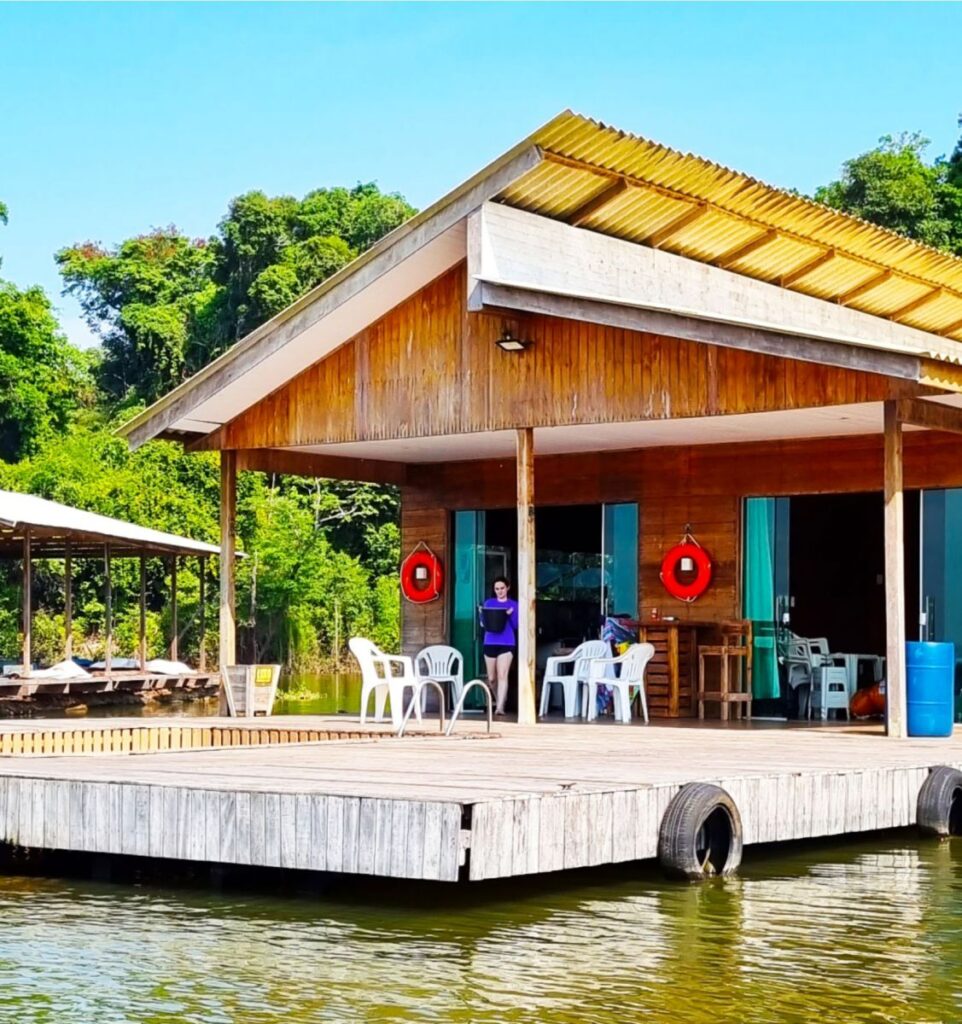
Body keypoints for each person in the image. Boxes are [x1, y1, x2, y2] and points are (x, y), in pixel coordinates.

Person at [480, 576, 518, 717]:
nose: (500, 591)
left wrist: (508, 615)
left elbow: (516, 625)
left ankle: (500, 707)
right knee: (491, 678)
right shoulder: (489, 603)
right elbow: (483, 623)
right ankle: (499, 699)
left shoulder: (514, 605)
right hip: (490, 641)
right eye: (497, 589)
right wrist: (483, 614)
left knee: (502, 675)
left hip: (507, 642)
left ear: (507, 588)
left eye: (502, 588)